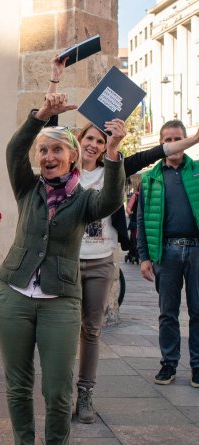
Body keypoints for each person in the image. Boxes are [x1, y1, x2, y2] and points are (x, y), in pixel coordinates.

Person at [0, 92, 125, 444]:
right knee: (18, 385)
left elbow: (111, 200)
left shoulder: (84, 199)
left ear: (72, 157)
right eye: (44, 151)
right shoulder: (27, 187)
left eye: (56, 150)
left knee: (57, 390)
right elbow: (13, 151)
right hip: (14, 296)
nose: (48, 157)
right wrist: (40, 116)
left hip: (60, 300)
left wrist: (112, 152)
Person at [74, 117, 199, 422]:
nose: (93, 145)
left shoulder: (116, 171)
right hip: (73, 260)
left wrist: (195, 139)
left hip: (107, 258)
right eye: (88, 139)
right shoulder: (67, 170)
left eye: (100, 141)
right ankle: (64, 394)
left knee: (92, 330)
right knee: (66, 331)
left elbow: (151, 153)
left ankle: (85, 394)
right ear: (77, 141)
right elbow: (39, 144)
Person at [137, 120, 199, 389]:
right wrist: (143, 257)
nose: (173, 143)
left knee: (198, 311)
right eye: (168, 139)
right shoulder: (151, 178)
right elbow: (141, 220)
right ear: (161, 143)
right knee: (168, 313)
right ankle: (169, 363)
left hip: (197, 250)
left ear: (185, 140)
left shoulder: (197, 171)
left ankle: (197, 366)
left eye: (178, 138)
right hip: (166, 251)